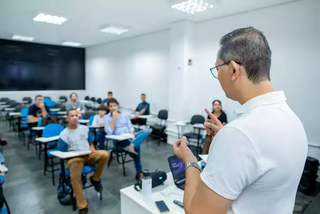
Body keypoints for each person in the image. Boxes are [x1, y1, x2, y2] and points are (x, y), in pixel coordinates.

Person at [173, 27, 308, 214]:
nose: (217, 76)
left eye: (217, 68)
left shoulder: (240, 134)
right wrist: (225, 137)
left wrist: (189, 159)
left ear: (234, 70)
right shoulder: (291, 119)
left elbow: (197, 211)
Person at [58, 109, 109, 214]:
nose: (75, 117)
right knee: (75, 178)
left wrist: (92, 149)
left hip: (88, 155)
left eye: (76, 115)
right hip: (74, 159)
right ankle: (82, 206)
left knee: (104, 154)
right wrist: (70, 158)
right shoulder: (64, 134)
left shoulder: (85, 128)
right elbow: (62, 152)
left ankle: (95, 179)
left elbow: (90, 142)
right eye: (72, 116)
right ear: (67, 118)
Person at [104, 98, 149, 180]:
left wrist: (131, 135)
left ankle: (132, 145)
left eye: (114, 105)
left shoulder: (124, 115)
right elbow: (109, 133)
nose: (113, 107)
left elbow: (131, 127)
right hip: (119, 140)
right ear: (108, 108)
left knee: (145, 131)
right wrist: (113, 119)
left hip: (129, 137)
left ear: (118, 106)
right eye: (111, 106)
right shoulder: (107, 118)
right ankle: (139, 171)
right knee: (137, 146)